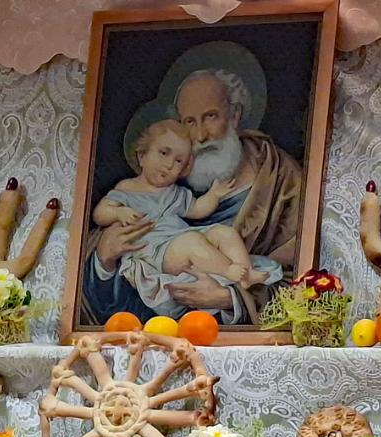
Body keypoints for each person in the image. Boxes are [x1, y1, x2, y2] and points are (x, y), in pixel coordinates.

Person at [82, 67, 304, 325]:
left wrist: (230, 298)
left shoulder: (279, 180)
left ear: (234, 115)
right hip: (160, 335)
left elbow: (301, 284)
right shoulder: (154, 185)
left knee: (221, 234)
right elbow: (103, 301)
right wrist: (104, 262)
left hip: (237, 343)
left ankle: (243, 274)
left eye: (210, 116)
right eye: (189, 122)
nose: (200, 136)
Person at [92, 119, 277, 315]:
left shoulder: (174, 193)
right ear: (142, 156)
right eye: (164, 153)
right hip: (155, 252)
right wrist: (119, 212)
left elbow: (197, 210)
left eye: (179, 161)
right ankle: (228, 271)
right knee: (191, 241)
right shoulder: (127, 188)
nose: (170, 164)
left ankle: (245, 273)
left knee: (224, 232)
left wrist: (213, 196)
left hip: (179, 239)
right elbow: (100, 213)